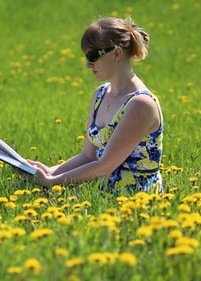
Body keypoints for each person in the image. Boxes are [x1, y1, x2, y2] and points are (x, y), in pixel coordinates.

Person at [27, 16, 163, 195]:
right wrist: (50, 171)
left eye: (92, 56)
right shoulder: (100, 94)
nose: (88, 64)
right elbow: (88, 156)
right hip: (102, 196)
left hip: (137, 203)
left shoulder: (140, 104)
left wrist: (51, 181)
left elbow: (105, 166)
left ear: (116, 53)